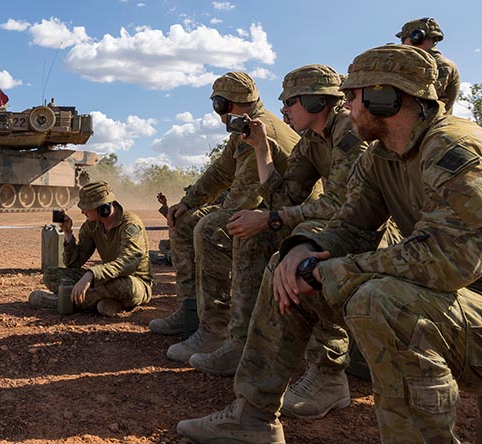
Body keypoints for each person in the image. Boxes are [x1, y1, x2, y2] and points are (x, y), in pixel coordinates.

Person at [177, 44, 482, 444]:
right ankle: (250, 418)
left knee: (380, 298)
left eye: (352, 96)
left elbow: (449, 259)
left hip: (462, 304)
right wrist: (302, 249)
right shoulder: (382, 154)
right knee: (282, 267)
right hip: (447, 302)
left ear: (385, 97)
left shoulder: (453, 148)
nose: (347, 105)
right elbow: (350, 225)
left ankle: (334, 378)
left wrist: (328, 271)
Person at [185, 65, 367, 422]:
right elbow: (283, 194)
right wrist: (262, 149)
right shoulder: (312, 140)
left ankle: (329, 375)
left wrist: (271, 218)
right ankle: (241, 342)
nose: (282, 110)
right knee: (254, 235)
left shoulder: (349, 131)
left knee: (308, 259)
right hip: (327, 222)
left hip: (366, 229)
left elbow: (347, 205)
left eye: (290, 102)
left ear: (316, 101)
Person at [148, 72, 299, 364]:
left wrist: (208, 215)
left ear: (226, 104)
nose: (217, 114)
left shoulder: (260, 129)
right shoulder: (245, 127)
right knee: (185, 220)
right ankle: (192, 310)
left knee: (211, 228)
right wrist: (188, 203)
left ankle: (215, 328)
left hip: (291, 218)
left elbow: (242, 198)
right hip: (274, 210)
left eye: (218, 106)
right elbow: (220, 173)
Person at [28, 181, 152, 317]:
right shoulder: (92, 225)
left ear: (102, 208)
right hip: (105, 278)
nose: (82, 211)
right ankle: (108, 302)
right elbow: (73, 264)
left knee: (119, 285)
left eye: (86, 208)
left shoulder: (130, 225)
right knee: (51, 275)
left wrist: (91, 275)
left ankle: (62, 302)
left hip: (134, 282)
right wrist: (68, 233)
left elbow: (128, 264)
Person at [397, 17, 460, 113]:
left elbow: (423, 100)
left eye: (404, 39)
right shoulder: (411, 61)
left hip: (429, 125)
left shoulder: (441, 65)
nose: (402, 44)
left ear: (417, 38)